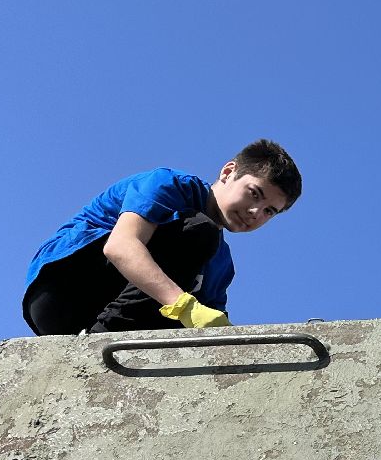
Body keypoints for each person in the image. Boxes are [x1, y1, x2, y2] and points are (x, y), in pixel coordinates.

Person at [22, 139, 301, 335]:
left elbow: (210, 328)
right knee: (200, 233)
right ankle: (100, 340)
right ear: (229, 172)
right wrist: (185, 307)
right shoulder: (171, 185)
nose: (255, 212)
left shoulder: (222, 264)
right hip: (64, 291)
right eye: (254, 193)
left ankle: (107, 339)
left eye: (269, 211)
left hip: (109, 313)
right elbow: (120, 246)